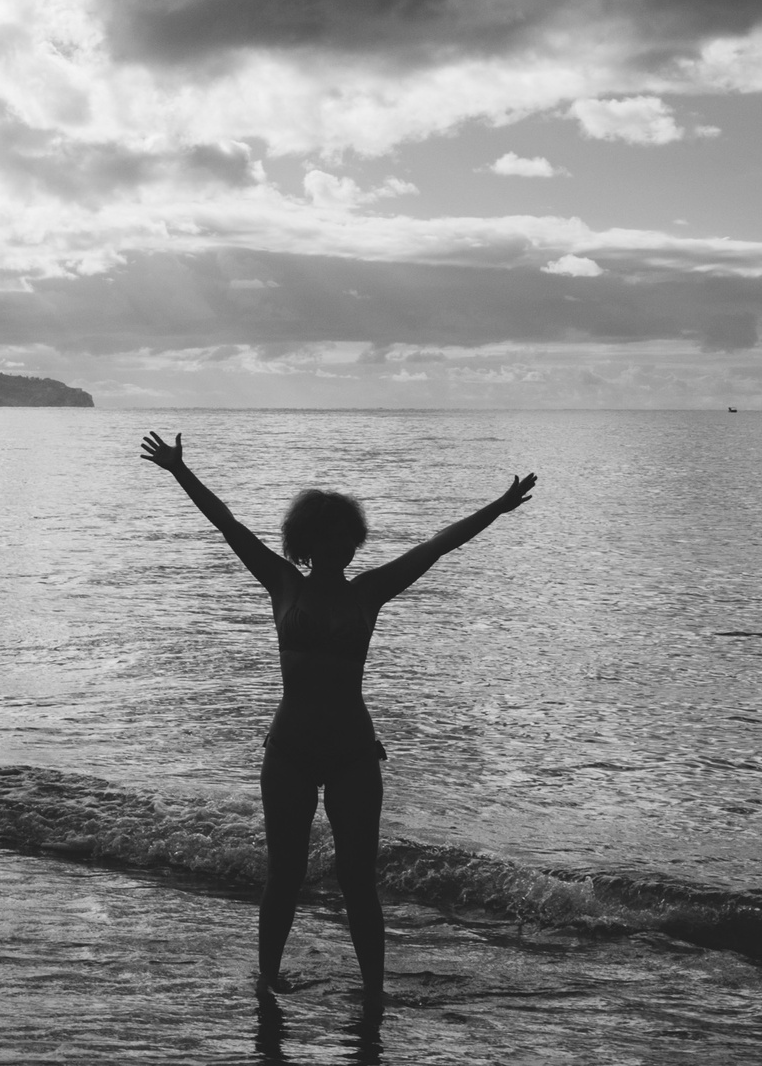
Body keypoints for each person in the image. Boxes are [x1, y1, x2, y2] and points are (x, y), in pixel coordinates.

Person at [137, 431, 538, 1012]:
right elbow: (227, 524)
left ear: (355, 542)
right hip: (290, 750)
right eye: (326, 537)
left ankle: (374, 993)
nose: (339, 546)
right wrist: (180, 471)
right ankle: (266, 985)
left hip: (353, 752)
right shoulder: (281, 584)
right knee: (285, 875)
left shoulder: (371, 592)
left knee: (358, 882)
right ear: (305, 542)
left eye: (347, 537)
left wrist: (497, 509)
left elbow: (438, 545)